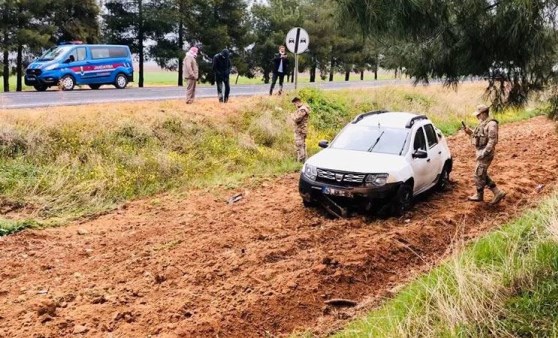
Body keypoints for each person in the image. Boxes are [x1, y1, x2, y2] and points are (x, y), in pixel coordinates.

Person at [462, 104, 506, 205]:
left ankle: (480, 195)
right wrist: (470, 132)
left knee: (478, 173)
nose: (477, 117)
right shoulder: (483, 123)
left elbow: (492, 140)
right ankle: (497, 193)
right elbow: (479, 136)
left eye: (479, 114)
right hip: (480, 152)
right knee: (482, 173)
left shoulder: (492, 124)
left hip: (485, 153)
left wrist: (485, 152)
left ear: (484, 113)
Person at [291, 97, 310, 162]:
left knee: (299, 146)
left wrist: (292, 115)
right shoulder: (303, 108)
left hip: (300, 131)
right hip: (301, 130)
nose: (295, 106)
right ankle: (304, 161)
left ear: (297, 102)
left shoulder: (302, 109)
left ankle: (301, 162)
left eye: (294, 104)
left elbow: (297, 119)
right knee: (302, 146)